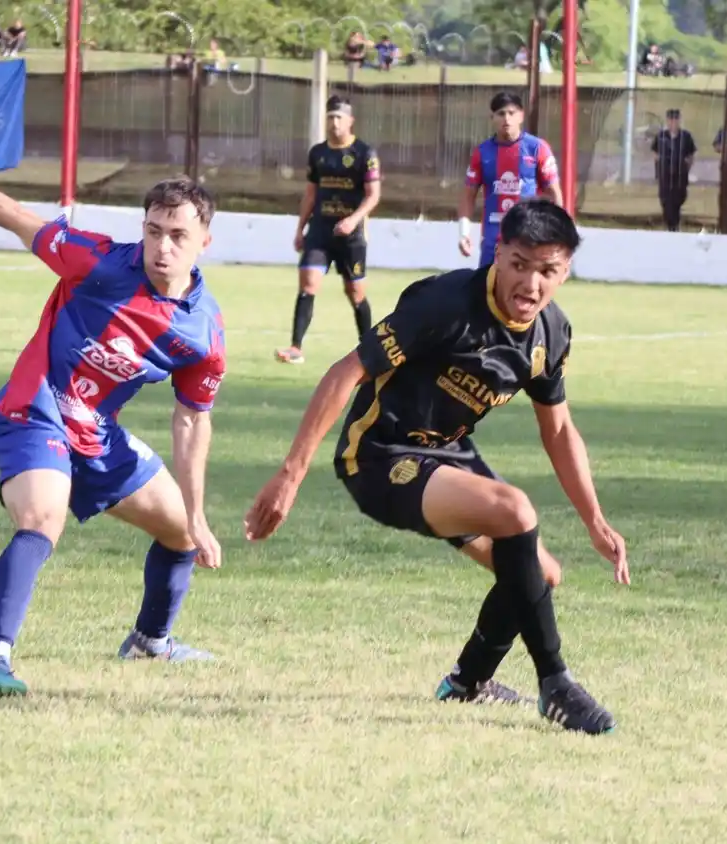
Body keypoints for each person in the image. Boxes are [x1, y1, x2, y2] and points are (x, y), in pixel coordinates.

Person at [245, 199, 628, 735]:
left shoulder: (551, 334)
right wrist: (291, 473)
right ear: (498, 253)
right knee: (516, 511)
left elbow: (559, 430)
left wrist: (595, 519)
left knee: (539, 576)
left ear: (565, 272)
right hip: (378, 456)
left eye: (548, 271)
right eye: (519, 264)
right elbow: (346, 371)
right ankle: (556, 684)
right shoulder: (445, 303)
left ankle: (467, 683)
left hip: (446, 455)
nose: (531, 284)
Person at [0, 144, 227, 697]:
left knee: (178, 532)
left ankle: (150, 642)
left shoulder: (202, 333)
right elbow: (14, 216)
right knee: (42, 518)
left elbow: (192, 421)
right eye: (154, 231)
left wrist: (197, 513)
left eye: (178, 236)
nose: (162, 247)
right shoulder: (98, 262)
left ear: (204, 243)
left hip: (95, 432)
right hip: (34, 411)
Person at [275, 95, 382, 366]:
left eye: (339, 118)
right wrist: (300, 228)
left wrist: (353, 220)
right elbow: (311, 194)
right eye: (331, 117)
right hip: (320, 231)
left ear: (350, 121)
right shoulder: (318, 153)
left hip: (351, 237)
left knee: (355, 293)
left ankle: (369, 349)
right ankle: (296, 347)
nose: (334, 123)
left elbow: (373, 195)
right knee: (308, 284)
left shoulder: (365, 154)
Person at [458, 92, 563, 266]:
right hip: (493, 240)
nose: (506, 119)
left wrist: (558, 233)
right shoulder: (482, 152)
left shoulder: (537, 148)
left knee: (524, 281)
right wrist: (464, 233)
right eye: (501, 113)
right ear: (492, 118)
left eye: (511, 113)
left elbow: (554, 193)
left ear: (521, 116)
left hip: (529, 237)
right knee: (487, 282)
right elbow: (468, 196)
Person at [651, 108, 697, 231]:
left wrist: (686, 168)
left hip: (679, 175)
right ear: (667, 121)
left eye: (675, 119)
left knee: (677, 199)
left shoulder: (685, 136)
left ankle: (674, 224)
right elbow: (655, 153)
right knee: (665, 200)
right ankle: (670, 225)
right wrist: (659, 167)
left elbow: (691, 155)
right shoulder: (661, 136)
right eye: (670, 120)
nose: (673, 122)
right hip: (665, 175)